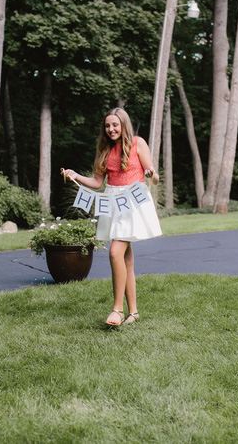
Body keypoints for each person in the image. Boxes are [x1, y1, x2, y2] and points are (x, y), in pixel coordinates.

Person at [62, 108, 162, 326]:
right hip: (113, 202)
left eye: (115, 125)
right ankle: (133, 313)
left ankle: (117, 309)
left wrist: (150, 173)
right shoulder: (105, 150)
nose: (111, 129)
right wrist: (76, 175)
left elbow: (154, 178)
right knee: (126, 260)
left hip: (133, 201)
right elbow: (98, 183)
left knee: (116, 252)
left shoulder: (137, 143)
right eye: (107, 125)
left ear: (123, 125)